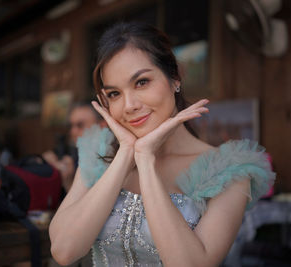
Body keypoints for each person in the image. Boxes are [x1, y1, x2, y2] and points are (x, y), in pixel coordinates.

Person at [49, 22, 276, 266]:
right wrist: (126, 153)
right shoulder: (98, 153)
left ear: (175, 78)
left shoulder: (228, 171)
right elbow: (64, 251)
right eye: (114, 94)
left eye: (141, 82)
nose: (129, 105)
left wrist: (145, 160)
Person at [43, 102, 105, 193]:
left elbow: (93, 205)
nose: (73, 132)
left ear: (102, 125)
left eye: (80, 125)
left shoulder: (110, 159)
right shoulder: (75, 153)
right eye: (71, 126)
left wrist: (68, 181)